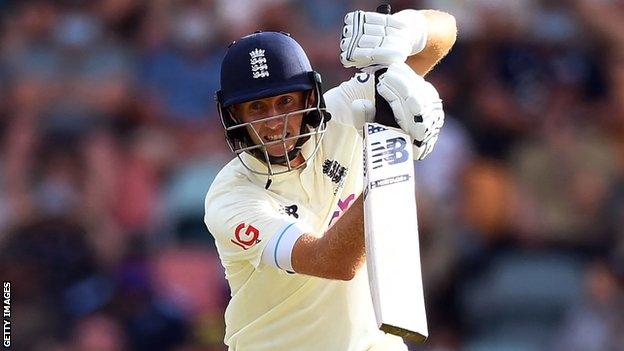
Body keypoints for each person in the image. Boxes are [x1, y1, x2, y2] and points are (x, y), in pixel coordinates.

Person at [205, 8, 457, 351]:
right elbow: (330, 262)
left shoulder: (341, 112)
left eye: (284, 102)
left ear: (309, 97)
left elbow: (444, 32)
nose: (275, 122)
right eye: (257, 109)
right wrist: (391, 165)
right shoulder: (231, 196)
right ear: (234, 115)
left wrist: (404, 33)